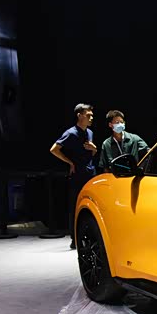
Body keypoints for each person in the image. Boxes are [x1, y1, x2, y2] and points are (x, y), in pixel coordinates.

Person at [49, 103, 97, 249]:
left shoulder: (90, 133)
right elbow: (54, 149)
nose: (91, 118)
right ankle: (74, 239)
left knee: (90, 207)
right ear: (79, 115)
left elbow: (91, 154)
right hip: (77, 175)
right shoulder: (71, 133)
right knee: (76, 206)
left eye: (92, 116)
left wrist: (94, 149)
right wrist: (70, 162)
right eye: (88, 115)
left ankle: (89, 237)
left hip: (90, 173)